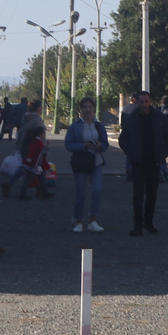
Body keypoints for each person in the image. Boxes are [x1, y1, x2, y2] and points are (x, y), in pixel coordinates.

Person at [118, 91, 168, 236]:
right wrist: (130, 152)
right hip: (138, 162)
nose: (144, 105)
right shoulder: (131, 119)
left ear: (150, 102)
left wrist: (164, 153)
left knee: (152, 194)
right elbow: (123, 138)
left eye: (146, 102)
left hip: (154, 162)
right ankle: (137, 225)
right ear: (137, 102)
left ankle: (149, 223)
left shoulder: (159, 118)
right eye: (141, 102)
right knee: (138, 194)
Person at [64, 96, 109, 233]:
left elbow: (106, 144)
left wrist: (100, 145)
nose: (88, 110)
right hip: (81, 162)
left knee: (97, 190)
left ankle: (93, 220)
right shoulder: (75, 126)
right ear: (80, 109)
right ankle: (78, 221)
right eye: (85, 107)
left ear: (94, 109)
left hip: (96, 161)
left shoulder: (99, 125)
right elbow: (68, 144)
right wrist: (83, 146)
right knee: (81, 193)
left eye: (90, 107)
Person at [3, 123, 52, 200]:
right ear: (40, 134)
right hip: (34, 165)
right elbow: (39, 152)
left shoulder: (35, 140)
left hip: (33, 164)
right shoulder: (38, 142)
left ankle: (43, 192)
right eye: (44, 133)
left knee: (38, 177)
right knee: (34, 178)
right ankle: (40, 192)